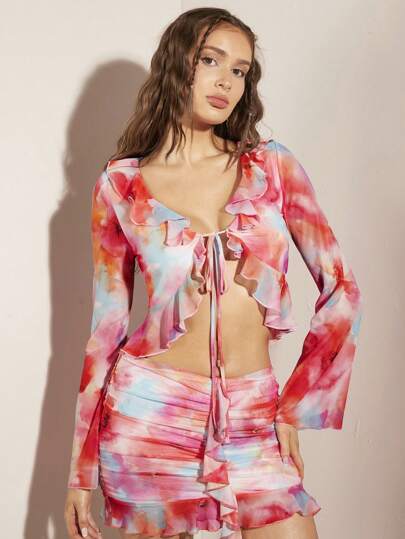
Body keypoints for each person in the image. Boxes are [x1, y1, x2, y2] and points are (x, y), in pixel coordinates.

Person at [64, 7, 362, 539]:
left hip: (254, 413)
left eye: (240, 70)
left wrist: (295, 408)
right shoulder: (120, 186)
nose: (226, 80)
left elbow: (342, 289)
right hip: (150, 413)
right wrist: (80, 472)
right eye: (210, 60)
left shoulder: (271, 167)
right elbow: (105, 332)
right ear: (178, 63)